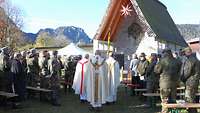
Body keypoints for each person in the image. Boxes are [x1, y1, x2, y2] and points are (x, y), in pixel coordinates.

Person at [180, 47, 200, 113]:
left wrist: (182, 79)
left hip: (190, 83)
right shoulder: (196, 60)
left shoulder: (190, 60)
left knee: (189, 101)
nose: (184, 55)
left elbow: (187, 72)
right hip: (195, 82)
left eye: (184, 53)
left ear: (187, 52)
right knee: (193, 99)